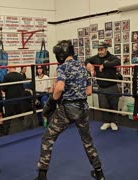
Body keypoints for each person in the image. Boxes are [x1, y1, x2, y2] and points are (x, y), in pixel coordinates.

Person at [35, 40, 104, 180]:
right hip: (83, 108)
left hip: (67, 109)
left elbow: (59, 88)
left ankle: (42, 176)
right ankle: (99, 173)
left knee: (48, 138)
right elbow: (89, 91)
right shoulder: (83, 67)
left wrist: (52, 102)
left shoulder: (63, 68)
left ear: (61, 54)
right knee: (87, 141)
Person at [85, 42, 121, 131]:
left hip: (112, 85)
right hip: (101, 86)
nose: (100, 52)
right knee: (103, 105)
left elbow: (118, 61)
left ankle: (113, 122)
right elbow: (87, 60)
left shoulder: (111, 57)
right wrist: (88, 65)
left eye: (102, 50)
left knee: (113, 105)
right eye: (99, 50)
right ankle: (106, 122)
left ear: (106, 49)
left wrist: (105, 65)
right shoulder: (95, 58)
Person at [1, 64, 25, 135]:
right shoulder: (21, 76)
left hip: (10, 100)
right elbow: (22, 88)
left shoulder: (7, 76)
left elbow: (3, 88)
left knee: (8, 118)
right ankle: (23, 132)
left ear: (9, 68)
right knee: (21, 117)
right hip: (20, 99)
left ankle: (5, 134)